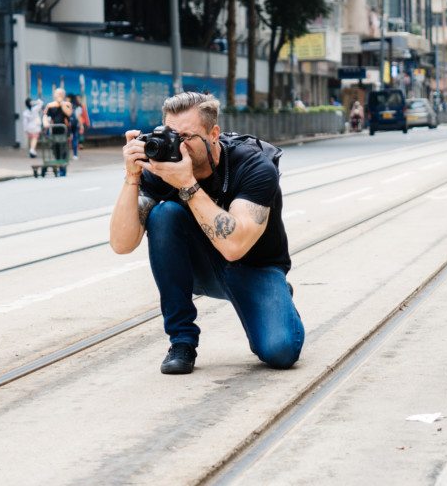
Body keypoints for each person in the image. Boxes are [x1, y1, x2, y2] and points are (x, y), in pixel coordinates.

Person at [109, 91, 304, 375]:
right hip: (201, 269)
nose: (179, 146)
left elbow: (235, 247)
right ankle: (182, 342)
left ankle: (276, 295)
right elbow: (121, 244)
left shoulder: (253, 165)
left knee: (281, 351)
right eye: (170, 134)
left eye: (187, 137)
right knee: (164, 214)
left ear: (213, 133)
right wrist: (132, 177)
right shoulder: (163, 167)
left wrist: (186, 183)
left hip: (253, 267)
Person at [43, 88, 72, 164]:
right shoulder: (50, 105)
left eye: (60, 94)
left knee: (63, 147)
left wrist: (61, 103)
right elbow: (45, 116)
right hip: (54, 130)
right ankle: (58, 161)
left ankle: (63, 164)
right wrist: (45, 123)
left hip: (64, 131)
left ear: (63, 95)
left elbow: (69, 113)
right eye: (57, 93)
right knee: (55, 147)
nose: (58, 95)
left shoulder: (67, 104)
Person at [68, 94, 89, 160]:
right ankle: (75, 154)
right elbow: (78, 116)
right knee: (75, 138)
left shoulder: (67, 105)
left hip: (68, 125)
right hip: (75, 125)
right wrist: (81, 125)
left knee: (70, 139)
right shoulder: (78, 106)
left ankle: (67, 154)